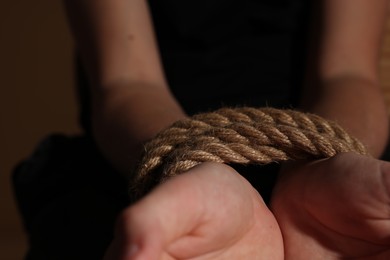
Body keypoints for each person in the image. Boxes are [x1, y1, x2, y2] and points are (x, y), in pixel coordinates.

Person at [13, 0, 390, 259]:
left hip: (316, 161)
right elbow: (125, 85)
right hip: (146, 143)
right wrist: (187, 168)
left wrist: (325, 162)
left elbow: (348, 74)